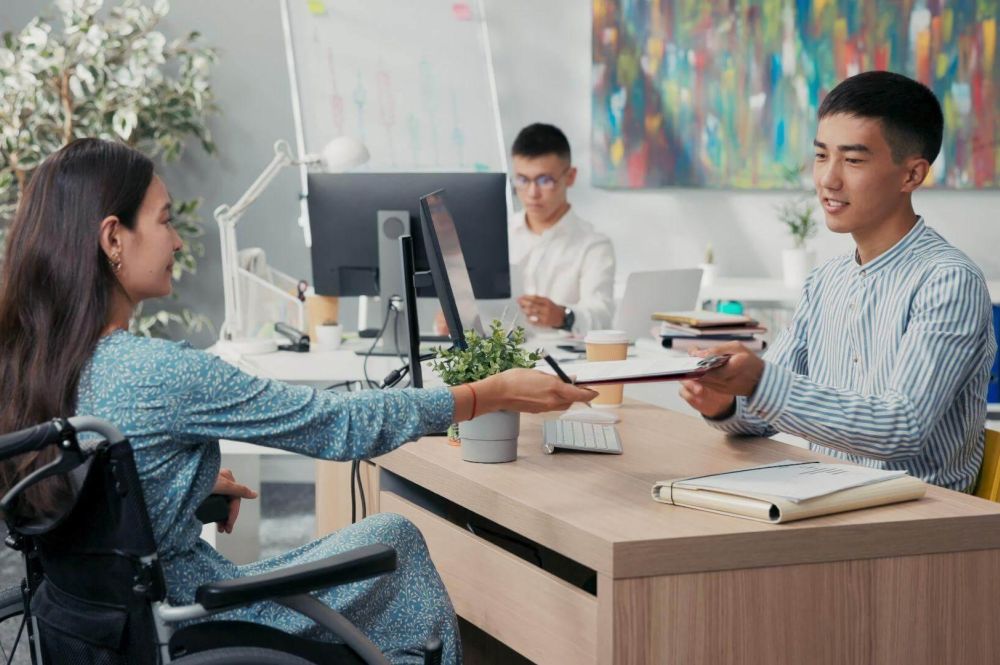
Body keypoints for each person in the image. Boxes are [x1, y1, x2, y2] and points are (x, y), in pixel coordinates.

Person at [0, 138, 597, 664]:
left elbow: (82, 503)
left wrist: (168, 498)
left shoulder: (30, 364)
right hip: (194, 620)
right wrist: (482, 394)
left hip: (108, 632)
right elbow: (335, 425)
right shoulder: (158, 372)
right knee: (396, 537)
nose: (178, 240)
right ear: (113, 239)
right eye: (163, 220)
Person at [680, 71, 996, 492]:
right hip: (830, 500)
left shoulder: (948, 282)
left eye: (853, 160)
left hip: (919, 528)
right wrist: (724, 401)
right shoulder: (826, 281)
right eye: (821, 155)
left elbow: (899, 427)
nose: (828, 179)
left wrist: (758, 381)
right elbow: (761, 411)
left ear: (911, 176)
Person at [508, 123, 615, 335]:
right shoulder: (498, 234)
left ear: (570, 176)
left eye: (544, 180)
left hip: (563, 362)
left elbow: (601, 315)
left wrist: (564, 316)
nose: (532, 193)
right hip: (502, 363)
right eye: (522, 180)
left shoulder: (593, 245)